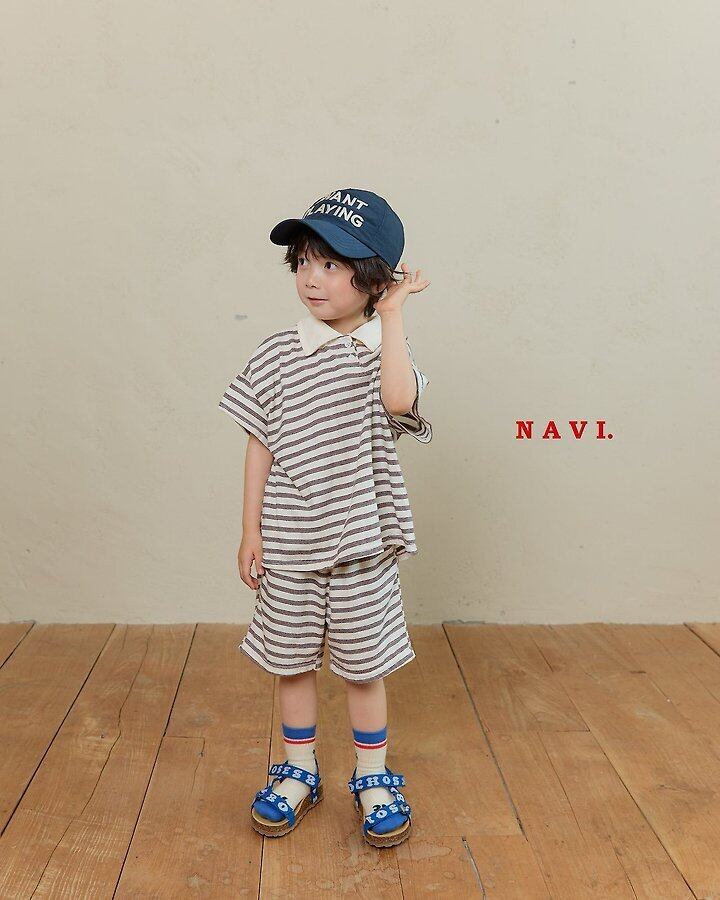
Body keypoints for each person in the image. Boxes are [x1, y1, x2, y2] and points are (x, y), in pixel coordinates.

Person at [218, 188, 433, 848]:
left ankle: (372, 775)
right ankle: (298, 770)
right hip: (288, 541)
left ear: (373, 278)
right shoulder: (277, 353)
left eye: (332, 265)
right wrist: (250, 529)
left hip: (362, 544)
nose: (312, 277)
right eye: (305, 261)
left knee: (364, 666)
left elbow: (399, 401)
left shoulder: (383, 353)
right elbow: (260, 443)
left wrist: (392, 317)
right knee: (290, 661)